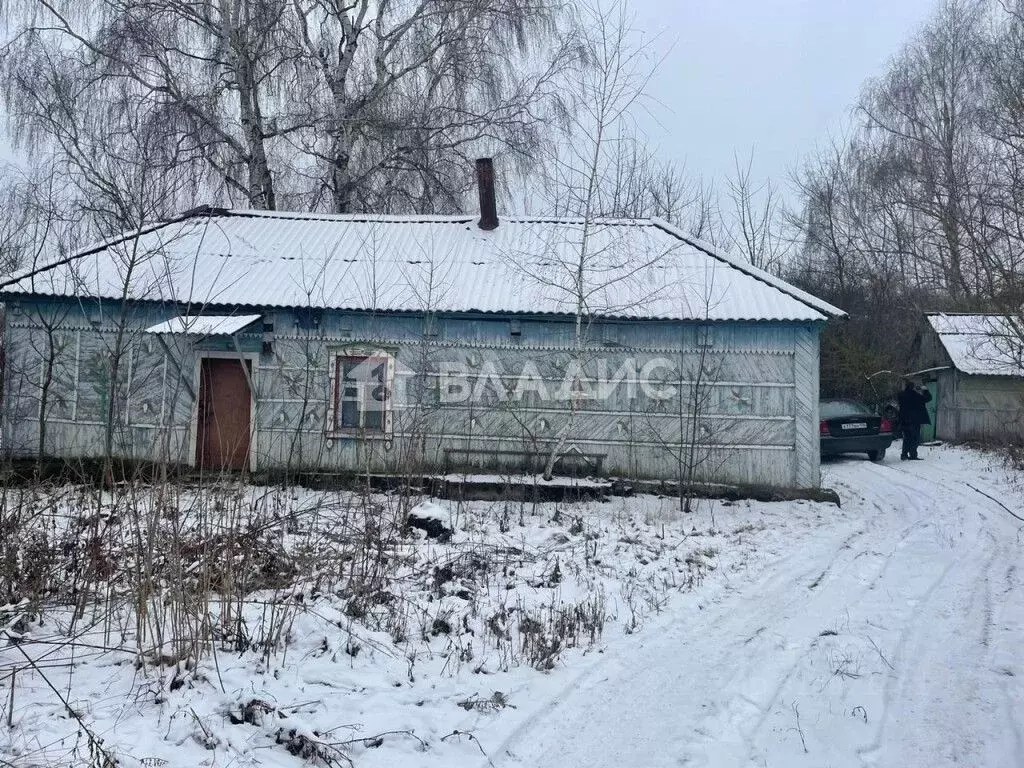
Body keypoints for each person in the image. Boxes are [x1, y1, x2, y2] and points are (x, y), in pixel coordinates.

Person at [897, 379, 932, 460]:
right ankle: (913, 455)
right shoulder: (915, 396)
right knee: (914, 438)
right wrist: (925, 390)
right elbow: (928, 398)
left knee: (907, 438)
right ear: (913, 388)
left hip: (904, 420)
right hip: (914, 421)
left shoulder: (901, 395)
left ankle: (904, 454)